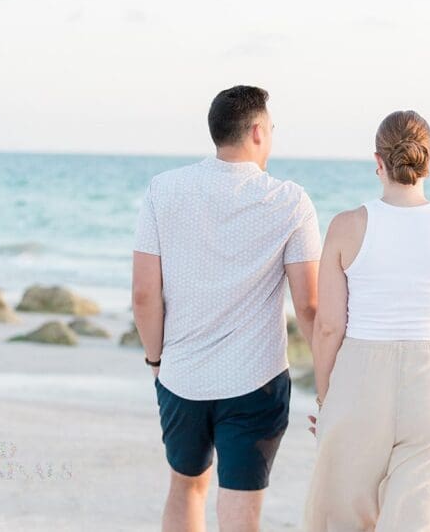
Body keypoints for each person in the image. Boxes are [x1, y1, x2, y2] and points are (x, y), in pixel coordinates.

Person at [131, 85, 322, 532]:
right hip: (255, 382)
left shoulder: (164, 190)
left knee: (186, 485)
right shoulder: (291, 202)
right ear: (257, 131)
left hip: (181, 377)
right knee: (240, 508)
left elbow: (144, 294)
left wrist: (157, 361)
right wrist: (331, 380)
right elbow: (309, 306)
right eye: (271, 129)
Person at [305, 110, 430, 532]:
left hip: (360, 382)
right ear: (428, 160)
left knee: (341, 521)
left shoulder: (347, 226)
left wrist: (326, 399)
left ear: (378, 161)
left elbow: (329, 326)